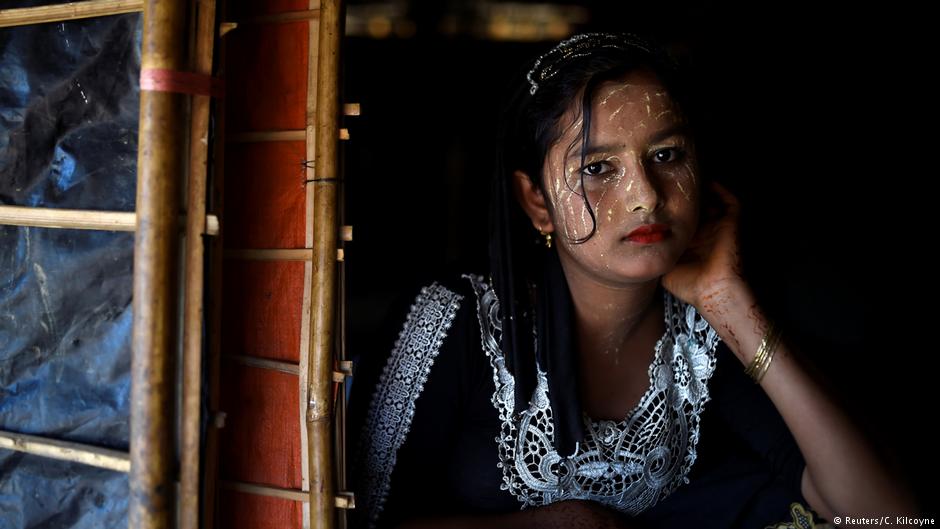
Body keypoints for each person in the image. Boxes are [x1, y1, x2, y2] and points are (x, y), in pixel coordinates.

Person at [347, 32, 919, 529]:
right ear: (536, 202)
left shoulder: (704, 333)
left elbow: (886, 515)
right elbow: (355, 520)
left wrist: (733, 308)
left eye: (667, 155)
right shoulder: (456, 322)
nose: (646, 195)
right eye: (597, 168)